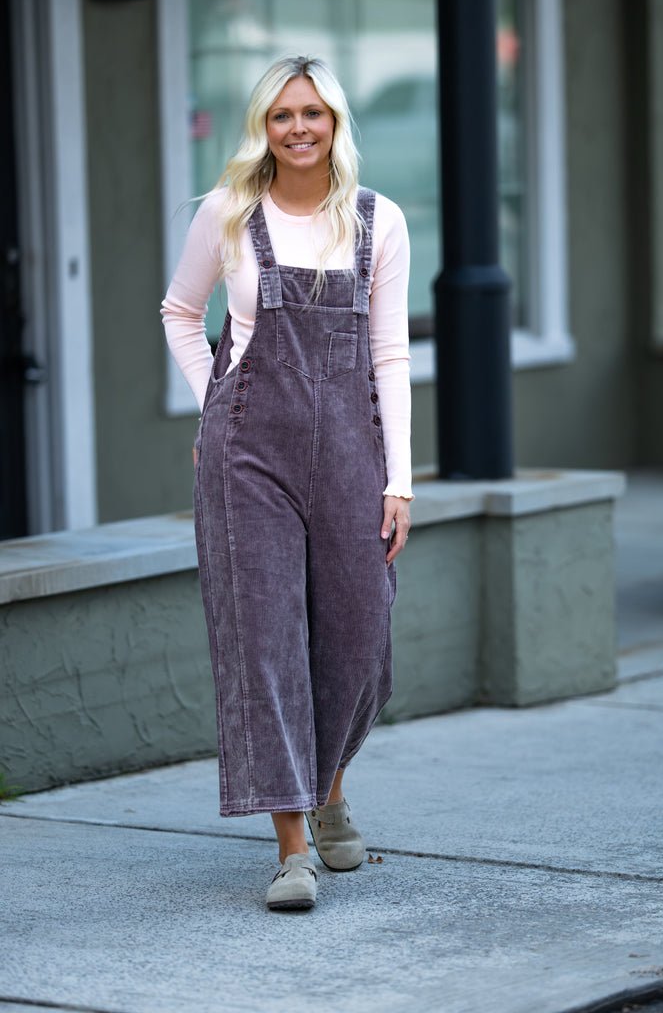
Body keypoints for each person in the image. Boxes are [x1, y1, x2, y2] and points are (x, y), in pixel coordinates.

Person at [161, 55, 412, 911]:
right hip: (247, 458)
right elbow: (179, 312)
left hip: (352, 454)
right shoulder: (230, 214)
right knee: (264, 644)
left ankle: (331, 785)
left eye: (312, 113)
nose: (298, 128)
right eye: (280, 115)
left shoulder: (379, 222)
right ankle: (292, 847)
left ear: (336, 123)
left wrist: (401, 481)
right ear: (262, 128)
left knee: (361, 641)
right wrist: (214, 402)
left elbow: (390, 357)